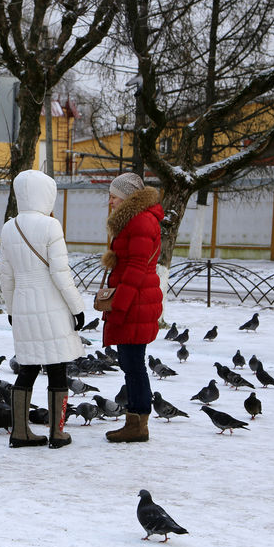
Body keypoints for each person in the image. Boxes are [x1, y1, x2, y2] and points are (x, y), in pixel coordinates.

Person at [0, 170, 86, 449]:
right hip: (51, 305)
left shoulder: (9, 228)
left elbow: (7, 276)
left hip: (23, 305)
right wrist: (77, 307)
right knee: (57, 367)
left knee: (27, 367)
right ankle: (57, 434)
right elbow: (61, 273)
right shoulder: (51, 226)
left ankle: (20, 432)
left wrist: (12, 309)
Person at [100, 172, 164, 443]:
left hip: (135, 303)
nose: (111, 200)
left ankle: (138, 423)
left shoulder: (140, 222)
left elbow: (136, 268)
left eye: (114, 196)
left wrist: (119, 308)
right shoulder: (135, 220)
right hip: (136, 301)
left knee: (133, 364)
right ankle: (135, 421)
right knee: (131, 363)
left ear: (126, 197)